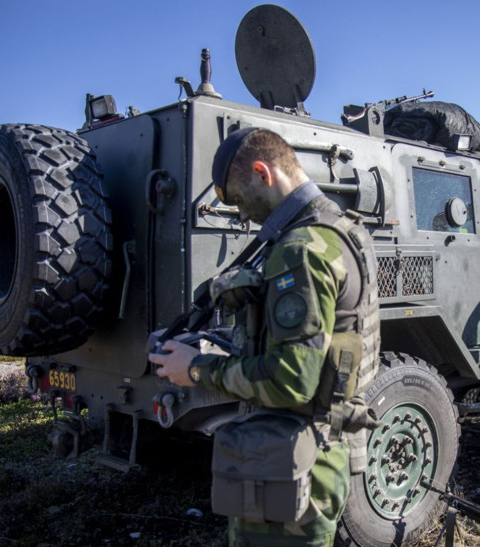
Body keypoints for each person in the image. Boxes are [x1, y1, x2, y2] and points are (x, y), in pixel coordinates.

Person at [148, 128, 380, 546]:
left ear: (262, 172)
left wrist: (198, 370)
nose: (240, 214)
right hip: (311, 450)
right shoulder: (341, 227)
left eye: (237, 198)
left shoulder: (302, 249)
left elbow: (292, 379)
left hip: (292, 459)